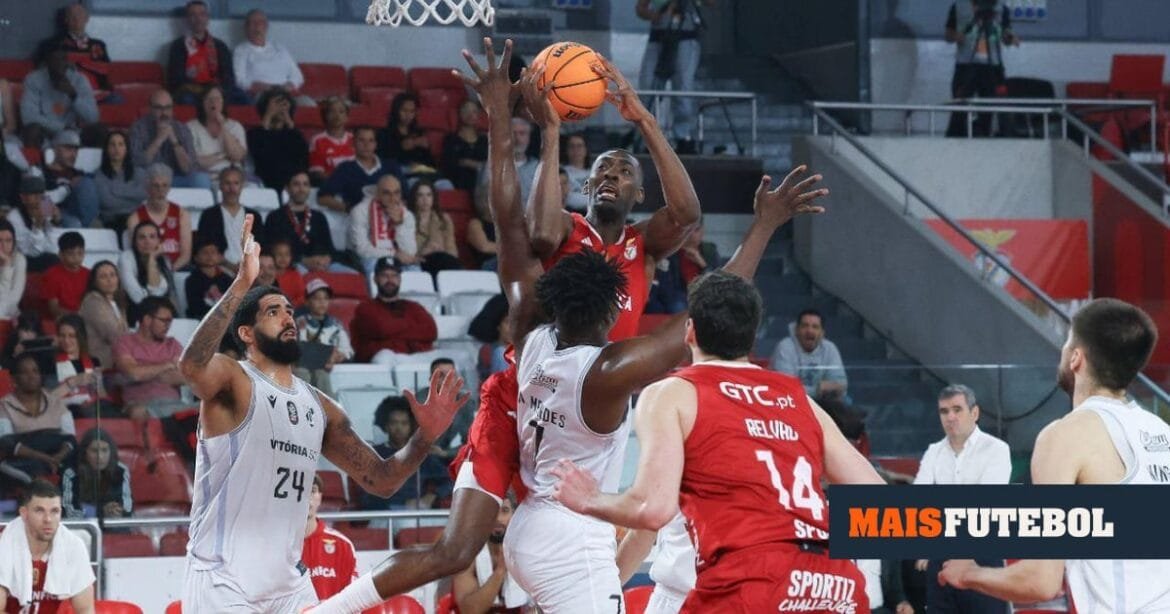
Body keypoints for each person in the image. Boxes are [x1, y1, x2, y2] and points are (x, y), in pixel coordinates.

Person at [177, 212, 467, 612]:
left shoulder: (320, 406)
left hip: (289, 585)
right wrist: (243, 284)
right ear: (246, 334)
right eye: (272, 311)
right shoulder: (235, 379)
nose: (287, 317)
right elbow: (191, 366)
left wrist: (425, 438)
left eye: (289, 311)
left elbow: (382, 481)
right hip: (222, 580)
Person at [552, 267, 881, 612]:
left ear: (690, 331)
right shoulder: (799, 398)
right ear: (753, 338)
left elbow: (652, 510)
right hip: (826, 584)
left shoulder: (673, 394)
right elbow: (878, 500)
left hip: (738, 584)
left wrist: (589, 498)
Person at [938, 298, 1170, 612]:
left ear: (1076, 358)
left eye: (1066, 343)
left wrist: (969, 573)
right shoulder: (1159, 430)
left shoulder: (1065, 435)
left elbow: (1041, 580)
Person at [524, 53, 701, 342]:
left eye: (625, 171)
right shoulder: (567, 227)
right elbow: (541, 234)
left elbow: (687, 215)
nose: (611, 174)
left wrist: (645, 121)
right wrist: (551, 132)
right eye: (602, 167)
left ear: (640, 195)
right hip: (559, 377)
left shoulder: (644, 244)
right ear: (587, 186)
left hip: (615, 382)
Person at [912, 384, 1012, 613]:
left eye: (957, 409)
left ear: (974, 413)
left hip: (982, 555)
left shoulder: (996, 449)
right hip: (940, 559)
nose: (950, 417)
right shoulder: (933, 452)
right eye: (944, 411)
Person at [0, 480, 96, 613]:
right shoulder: (4, 545)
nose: (48, 519)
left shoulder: (73, 547)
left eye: (54, 511)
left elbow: (85, 610)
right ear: (24, 513)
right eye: (39, 511)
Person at [635, 0, 713, 154]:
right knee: (648, 86)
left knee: (683, 88)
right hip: (658, 37)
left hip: (685, 36)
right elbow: (640, 8)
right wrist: (655, 15)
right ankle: (648, 136)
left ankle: (683, 136)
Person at [358, 396, 453, 511]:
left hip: (416, 514)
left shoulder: (420, 454)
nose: (399, 428)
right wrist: (402, 503)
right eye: (394, 423)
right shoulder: (374, 454)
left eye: (404, 423)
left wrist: (432, 496)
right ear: (386, 425)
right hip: (384, 513)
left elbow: (449, 480)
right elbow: (367, 494)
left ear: (411, 426)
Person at [944, 0, 1018, 137]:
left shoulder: (1001, 8)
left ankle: (985, 138)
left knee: (988, 109)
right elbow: (948, 34)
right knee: (959, 107)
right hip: (966, 65)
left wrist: (1010, 38)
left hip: (992, 66)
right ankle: (955, 140)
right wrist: (956, 36)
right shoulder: (959, 6)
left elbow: (1006, 32)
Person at [452, 492, 531, 613]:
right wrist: (500, 570)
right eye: (491, 511)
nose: (498, 518)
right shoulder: (466, 555)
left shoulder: (529, 551)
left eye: (504, 511)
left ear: (514, 515)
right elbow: (469, 611)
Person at [350, 257, 437, 365]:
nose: (390, 280)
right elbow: (382, 329)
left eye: (394, 275)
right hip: (383, 360)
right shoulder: (365, 308)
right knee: (384, 356)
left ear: (400, 279)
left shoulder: (413, 307)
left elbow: (431, 331)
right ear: (375, 279)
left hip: (415, 357)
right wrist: (411, 333)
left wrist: (393, 335)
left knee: (458, 357)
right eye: (384, 275)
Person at [113, 296, 186, 417]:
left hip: (175, 404)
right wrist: (168, 365)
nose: (168, 326)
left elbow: (184, 377)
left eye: (170, 321)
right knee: (138, 412)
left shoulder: (173, 344)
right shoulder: (125, 342)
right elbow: (134, 374)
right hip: (141, 405)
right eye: (164, 320)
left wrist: (146, 371)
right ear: (147, 319)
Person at [167, 0, 245, 106]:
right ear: (187, 19)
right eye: (193, 15)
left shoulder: (220, 45)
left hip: (218, 90)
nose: (198, 19)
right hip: (192, 91)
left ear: (207, 18)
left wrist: (217, 91)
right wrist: (201, 90)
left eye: (202, 14)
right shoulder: (178, 46)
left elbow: (228, 77)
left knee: (243, 98)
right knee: (186, 100)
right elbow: (176, 79)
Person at [129, 89, 208, 189]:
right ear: (150, 108)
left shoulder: (182, 129)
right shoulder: (138, 128)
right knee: (138, 175)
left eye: (168, 108)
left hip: (176, 179)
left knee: (201, 179)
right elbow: (137, 163)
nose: (164, 113)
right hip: (149, 181)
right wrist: (159, 140)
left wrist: (174, 141)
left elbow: (189, 168)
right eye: (159, 108)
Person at [20, 44, 98, 139]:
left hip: (72, 133)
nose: (60, 64)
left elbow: (92, 117)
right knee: (32, 130)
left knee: (98, 130)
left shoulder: (79, 80)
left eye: (63, 59)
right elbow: (28, 117)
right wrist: (61, 127)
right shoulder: (34, 79)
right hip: (44, 131)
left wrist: (73, 95)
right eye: (55, 60)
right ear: (47, 62)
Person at [318, 126, 403, 213]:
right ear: (353, 143)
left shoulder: (391, 166)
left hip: (390, 217)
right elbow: (323, 198)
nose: (366, 145)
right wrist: (349, 209)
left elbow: (405, 197)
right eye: (361, 140)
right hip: (356, 220)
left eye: (371, 140)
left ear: (376, 144)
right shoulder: (345, 168)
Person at [769, 308, 848, 400]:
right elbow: (786, 387)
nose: (809, 331)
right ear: (796, 330)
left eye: (815, 327)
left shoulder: (830, 348)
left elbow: (841, 384)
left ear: (822, 333)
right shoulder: (785, 347)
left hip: (823, 402)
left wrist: (833, 386)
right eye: (805, 326)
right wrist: (817, 390)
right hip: (790, 402)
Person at [126, 163, 194, 270]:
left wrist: (169, 271)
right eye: (156, 185)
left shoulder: (181, 214)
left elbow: (186, 255)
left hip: (177, 268)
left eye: (164, 185)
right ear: (147, 188)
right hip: (146, 269)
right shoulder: (135, 218)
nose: (160, 190)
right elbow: (136, 253)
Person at [302, 474, 359, 600]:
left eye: (312, 491)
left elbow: (354, 601)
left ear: (320, 497)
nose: (306, 497)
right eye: (301, 489)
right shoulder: (277, 548)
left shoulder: (343, 545)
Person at [196, 167, 265, 270]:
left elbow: (260, 247)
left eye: (236, 183)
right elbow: (206, 247)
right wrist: (231, 267)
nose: (232, 189)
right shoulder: (209, 215)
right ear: (220, 185)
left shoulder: (254, 216)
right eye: (227, 183)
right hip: (219, 269)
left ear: (242, 186)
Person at [265, 171, 340, 266]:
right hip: (292, 265)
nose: (301, 189)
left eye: (305, 184)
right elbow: (272, 251)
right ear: (287, 188)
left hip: (323, 265)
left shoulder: (319, 217)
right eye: (296, 184)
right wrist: (303, 261)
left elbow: (330, 249)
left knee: (353, 276)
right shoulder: (275, 217)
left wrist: (327, 259)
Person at [233, 9, 307, 105]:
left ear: (266, 26)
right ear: (246, 27)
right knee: (274, 104)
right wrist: (256, 86)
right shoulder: (241, 50)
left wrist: (290, 85)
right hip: (261, 94)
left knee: (308, 103)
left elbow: (298, 76)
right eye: (253, 23)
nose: (257, 26)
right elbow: (239, 80)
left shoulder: (280, 48)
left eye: (261, 23)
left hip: (286, 93)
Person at [294, 278, 353, 398]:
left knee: (322, 375)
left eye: (325, 298)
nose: (322, 302)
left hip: (326, 366)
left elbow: (348, 350)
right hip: (303, 366)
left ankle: (329, 413)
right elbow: (294, 347)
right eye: (316, 298)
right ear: (307, 301)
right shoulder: (299, 323)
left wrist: (338, 356)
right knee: (302, 373)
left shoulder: (336, 325)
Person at [348, 175, 419, 273]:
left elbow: (410, 252)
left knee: (415, 270)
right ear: (377, 193)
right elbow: (362, 249)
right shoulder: (360, 211)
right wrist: (394, 254)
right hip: (371, 258)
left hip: (399, 259)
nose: (393, 198)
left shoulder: (407, 215)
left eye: (396, 193)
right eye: (387, 193)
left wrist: (399, 224)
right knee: (375, 267)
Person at [60, 427, 132, 520]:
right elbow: (68, 512)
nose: (100, 456)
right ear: (84, 452)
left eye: (105, 450)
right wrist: (100, 512)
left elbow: (128, 507)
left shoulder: (121, 470)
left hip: (114, 523)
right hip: (83, 527)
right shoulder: (71, 473)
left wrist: (117, 510)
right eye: (94, 451)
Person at [49, 3, 114, 104]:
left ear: (87, 18)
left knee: (118, 99)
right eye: (72, 16)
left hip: (97, 92)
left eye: (80, 14)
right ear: (66, 20)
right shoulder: (55, 44)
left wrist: (82, 64)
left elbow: (108, 70)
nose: (76, 19)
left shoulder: (98, 44)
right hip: (68, 93)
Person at [248, 87, 310, 190]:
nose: (281, 108)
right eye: (277, 104)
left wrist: (288, 120)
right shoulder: (254, 133)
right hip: (266, 181)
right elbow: (258, 152)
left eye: (284, 104)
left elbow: (302, 155)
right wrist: (268, 114)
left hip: (292, 183)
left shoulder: (294, 134)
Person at [119, 221, 177, 322]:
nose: (147, 241)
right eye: (142, 237)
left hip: (161, 314)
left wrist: (152, 259)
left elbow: (158, 293)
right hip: (135, 315)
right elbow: (137, 297)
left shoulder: (164, 260)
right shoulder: (126, 258)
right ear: (134, 241)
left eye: (152, 237)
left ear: (159, 241)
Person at [186, 85, 247, 181]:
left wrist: (223, 125)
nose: (213, 102)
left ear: (224, 102)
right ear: (202, 103)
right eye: (208, 99)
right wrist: (223, 155)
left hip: (232, 178)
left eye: (217, 99)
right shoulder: (191, 127)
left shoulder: (235, 126)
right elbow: (196, 162)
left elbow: (237, 156)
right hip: (204, 178)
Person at [43, 129, 100, 228]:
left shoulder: (80, 174)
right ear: (55, 149)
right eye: (68, 149)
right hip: (55, 216)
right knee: (73, 224)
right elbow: (39, 199)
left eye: (76, 150)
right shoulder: (42, 172)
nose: (73, 155)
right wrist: (51, 217)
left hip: (80, 214)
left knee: (87, 182)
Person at [78, 260, 129, 367]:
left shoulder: (116, 300)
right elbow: (113, 334)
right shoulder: (93, 301)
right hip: (102, 363)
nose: (109, 280)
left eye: (113, 275)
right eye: (103, 276)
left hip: (120, 359)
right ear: (95, 282)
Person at [7, 174, 62, 272]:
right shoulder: (14, 217)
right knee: (52, 261)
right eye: (33, 193)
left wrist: (55, 223)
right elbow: (31, 253)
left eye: (41, 193)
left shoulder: (46, 205)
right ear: (23, 197)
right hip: (20, 262)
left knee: (59, 259)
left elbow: (53, 248)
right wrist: (38, 226)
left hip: (43, 257)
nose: (38, 197)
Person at [407, 180, 462, 276]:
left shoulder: (444, 219)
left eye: (429, 195)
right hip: (419, 261)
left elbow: (451, 248)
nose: (425, 199)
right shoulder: (407, 218)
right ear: (414, 198)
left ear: (433, 198)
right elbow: (408, 252)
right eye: (420, 195)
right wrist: (426, 250)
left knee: (444, 260)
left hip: (444, 261)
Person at [53, 314, 105, 413]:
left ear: (81, 337)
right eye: (62, 336)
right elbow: (48, 398)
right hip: (66, 409)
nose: (66, 341)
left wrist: (97, 385)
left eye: (72, 336)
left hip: (92, 407)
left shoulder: (94, 362)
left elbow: (101, 394)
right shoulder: (51, 363)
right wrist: (74, 381)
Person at [93, 130, 146, 227]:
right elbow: (107, 202)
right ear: (107, 149)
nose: (116, 148)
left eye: (121, 144)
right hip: (111, 220)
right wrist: (131, 195)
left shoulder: (139, 172)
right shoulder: (99, 174)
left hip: (136, 219)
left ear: (126, 148)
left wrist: (115, 190)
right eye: (112, 145)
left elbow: (143, 194)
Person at [441, 99, 488, 192]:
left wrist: (468, 163)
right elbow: (449, 164)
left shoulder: (484, 140)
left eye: (474, 111)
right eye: (466, 111)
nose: (470, 115)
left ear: (478, 115)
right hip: (460, 180)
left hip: (483, 181)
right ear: (459, 114)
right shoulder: (451, 139)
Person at [42, 231, 89, 319]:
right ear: (60, 255)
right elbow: (54, 309)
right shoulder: (51, 275)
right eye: (70, 253)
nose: (76, 257)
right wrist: (77, 316)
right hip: (60, 321)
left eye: (80, 253)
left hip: (84, 319)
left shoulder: (89, 274)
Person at [185, 233, 232, 320]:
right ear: (196, 257)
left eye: (213, 252)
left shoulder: (227, 279)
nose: (210, 256)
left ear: (219, 256)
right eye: (205, 252)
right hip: (201, 321)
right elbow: (195, 308)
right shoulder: (192, 281)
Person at [308, 97, 355, 183]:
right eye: (332, 111)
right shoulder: (317, 140)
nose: (337, 115)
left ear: (347, 117)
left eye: (341, 112)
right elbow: (317, 173)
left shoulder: (354, 139)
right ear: (325, 116)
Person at [0, 218, 27, 321]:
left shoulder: (19, 259)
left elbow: (14, 299)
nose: (4, 245)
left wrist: (7, 265)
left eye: (8, 241)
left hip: (9, 314)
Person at [560, 133, 590, 213]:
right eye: (572, 146)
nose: (576, 150)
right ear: (566, 150)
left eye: (579, 146)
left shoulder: (594, 172)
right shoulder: (560, 171)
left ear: (586, 150)